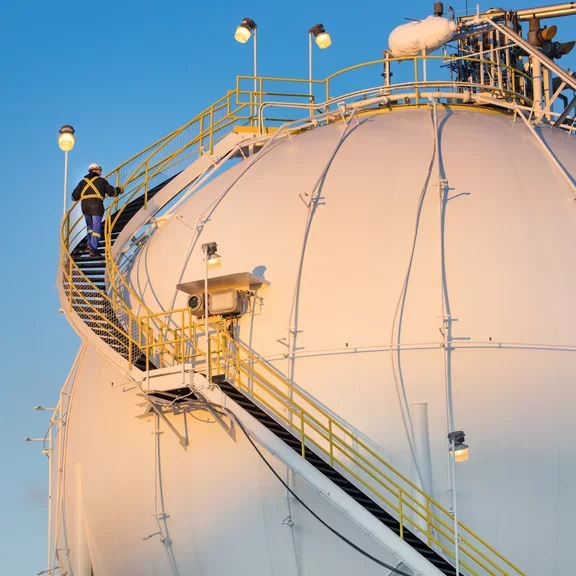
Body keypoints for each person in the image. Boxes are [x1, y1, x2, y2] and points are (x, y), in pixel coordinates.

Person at [72, 163, 122, 258]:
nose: (100, 173)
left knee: (89, 227)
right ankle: (93, 249)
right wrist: (119, 190)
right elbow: (112, 192)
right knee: (96, 228)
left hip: (85, 207)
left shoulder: (82, 182)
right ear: (95, 170)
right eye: (99, 170)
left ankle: (90, 244)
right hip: (96, 206)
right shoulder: (101, 181)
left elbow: (74, 197)